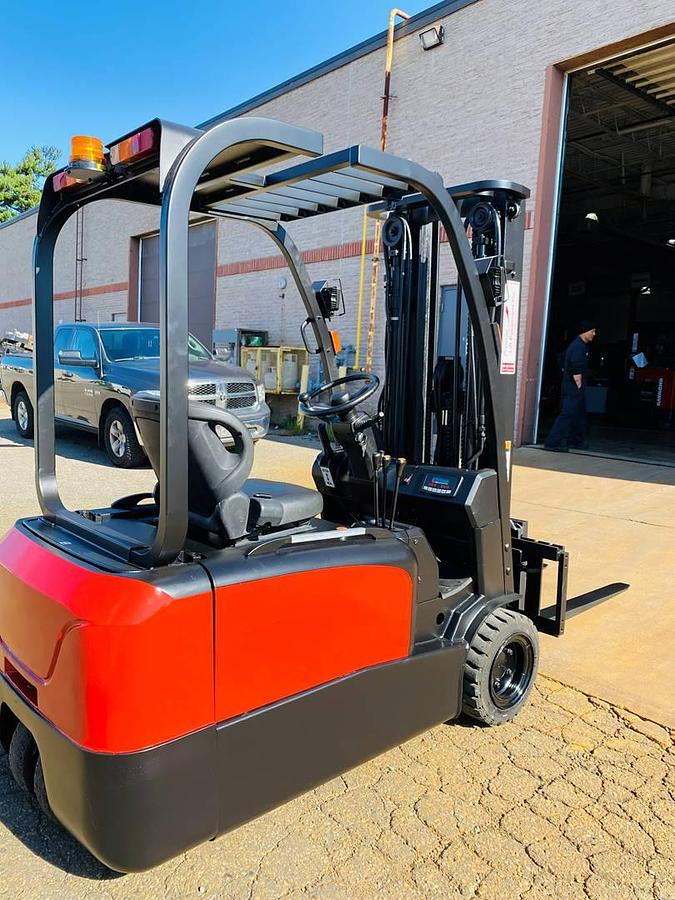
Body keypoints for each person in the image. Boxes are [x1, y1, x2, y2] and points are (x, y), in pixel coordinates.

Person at [544, 320, 597, 452]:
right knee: (567, 414)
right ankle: (553, 442)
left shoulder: (578, 346)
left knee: (578, 415)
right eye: (593, 331)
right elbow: (575, 366)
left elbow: (562, 360)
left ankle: (576, 441)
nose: (594, 334)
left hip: (572, 387)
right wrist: (578, 384)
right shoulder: (578, 347)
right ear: (585, 331)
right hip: (573, 388)